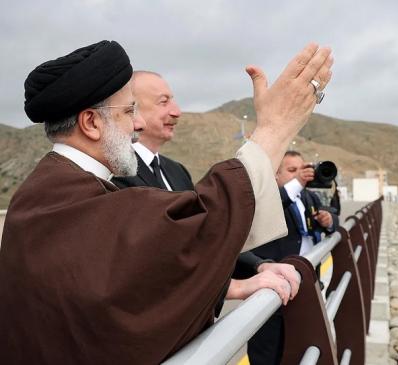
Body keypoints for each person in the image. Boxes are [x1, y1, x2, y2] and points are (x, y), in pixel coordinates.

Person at [0, 40, 333, 364]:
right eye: (130, 110)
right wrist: (274, 129)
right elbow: (195, 229)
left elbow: (142, 276)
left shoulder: (50, 191)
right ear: (91, 123)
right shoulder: (63, 199)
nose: (139, 123)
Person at [111, 71, 300, 314]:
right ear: (131, 109)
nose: (176, 111)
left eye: (174, 100)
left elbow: (206, 235)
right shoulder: (116, 175)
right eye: (163, 102)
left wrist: (259, 266)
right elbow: (156, 261)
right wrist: (233, 288)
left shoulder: (175, 171)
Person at [240, 150, 340, 365]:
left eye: (302, 169)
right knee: (267, 351)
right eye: (292, 170)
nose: (300, 175)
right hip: (273, 286)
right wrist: (297, 183)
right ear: (276, 174)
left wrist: (328, 220)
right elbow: (277, 204)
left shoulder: (308, 196)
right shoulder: (267, 197)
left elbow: (333, 217)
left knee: (300, 345)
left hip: (305, 286)